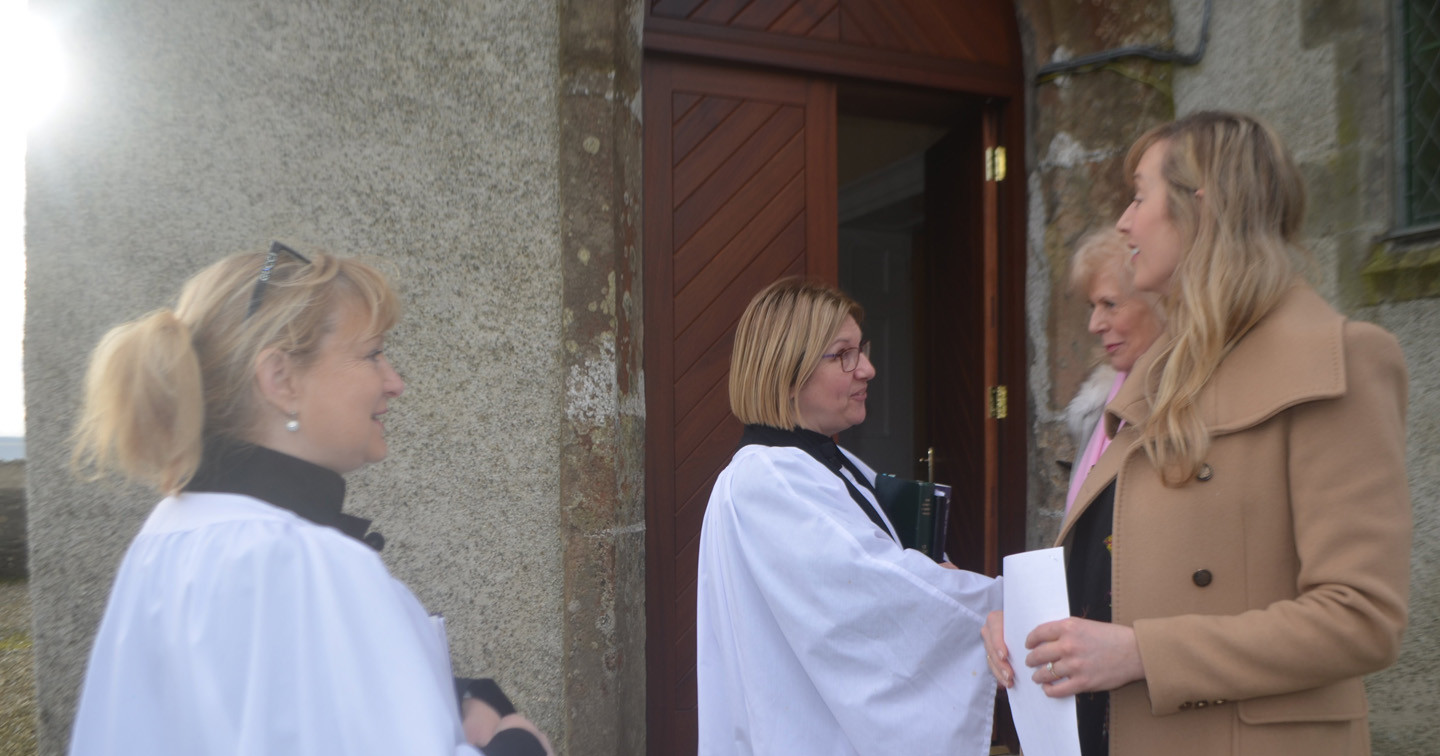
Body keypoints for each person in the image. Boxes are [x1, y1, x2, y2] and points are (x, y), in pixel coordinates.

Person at [982, 111, 1411, 756]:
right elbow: (1113, 561)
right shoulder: (1155, 373)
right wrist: (1025, 625)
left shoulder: (1339, 361)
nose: (1124, 221)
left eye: (1138, 194)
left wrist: (1142, 653)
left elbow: (1361, 618)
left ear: (1199, 205)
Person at [68, 243, 552, 756]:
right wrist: (517, 743)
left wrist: (450, 697)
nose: (395, 383)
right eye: (371, 355)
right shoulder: (306, 562)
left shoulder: (167, 536)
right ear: (281, 379)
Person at [696, 278, 1000, 756]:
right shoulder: (767, 480)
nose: (868, 369)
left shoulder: (828, 463)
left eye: (863, 350)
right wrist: (1010, 608)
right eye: (843, 355)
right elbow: (869, 596)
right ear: (788, 369)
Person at [1061, 229, 1163, 513]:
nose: (1094, 325)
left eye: (1110, 304)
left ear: (1158, 303)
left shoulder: (1181, 407)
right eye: (1093, 306)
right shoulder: (1099, 406)